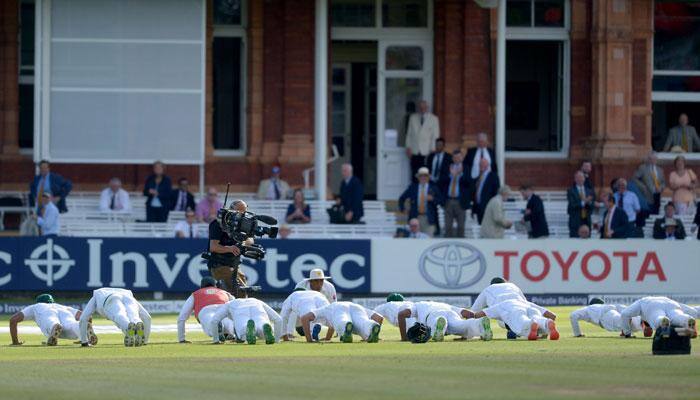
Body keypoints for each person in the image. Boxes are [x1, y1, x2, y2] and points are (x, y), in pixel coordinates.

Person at [9, 294, 97, 346]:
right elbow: (86, 316)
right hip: (65, 315)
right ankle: (82, 330)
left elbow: (13, 320)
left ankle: (54, 326)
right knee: (72, 325)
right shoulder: (61, 306)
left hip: (47, 315)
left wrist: (15, 342)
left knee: (51, 322)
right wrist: (83, 337)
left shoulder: (36, 306)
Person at [79, 287, 152, 347]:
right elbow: (147, 318)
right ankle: (137, 324)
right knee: (134, 316)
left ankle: (127, 327)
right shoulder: (126, 292)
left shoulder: (98, 293)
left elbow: (83, 318)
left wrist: (84, 342)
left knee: (119, 314)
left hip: (110, 298)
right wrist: (145, 341)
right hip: (129, 297)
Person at [207, 200, 251, 296]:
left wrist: (243, 243)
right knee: (237, 292)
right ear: (231, 210)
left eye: (244, 212)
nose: (242, 215)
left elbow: (250, 240)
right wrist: (230, 248)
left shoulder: (242, 224)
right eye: (239, 211)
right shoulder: (218, 224)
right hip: (219, 264)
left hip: (234, 264)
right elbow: (213, 247)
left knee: (243, 291)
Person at [397, 301, 493, 342]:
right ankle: (479, 324)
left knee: (435, 321)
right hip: (450, 312)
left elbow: (401, 314)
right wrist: (464, 336)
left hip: (432, 314)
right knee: (462, 325)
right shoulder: (445, 304)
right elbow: (469, 314)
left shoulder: (417, 305)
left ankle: (438, 327)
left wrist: (404, 338)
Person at [177, 277, 235, 344]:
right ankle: (232, 333)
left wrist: (182, 339)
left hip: (205, 310)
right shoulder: (224, 292)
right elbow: (235, 307)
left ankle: (218, 330)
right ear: (215, 285)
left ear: (201, 286)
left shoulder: (195, 294)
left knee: (211, 326)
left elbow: (181, 318)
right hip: (222, 308)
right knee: (228, 323)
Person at [300, 301, 381, 343]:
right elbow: (379, 317)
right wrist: (328, 338)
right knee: (364, 323)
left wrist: (309, 340)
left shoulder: (324, 309)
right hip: (357, 307)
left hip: (338, 308)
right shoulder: (353, 305)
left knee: (342, 320)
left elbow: (304, 318)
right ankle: (372, 327)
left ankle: (345, 328)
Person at [210, 298, 282, 345]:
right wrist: (277, 340)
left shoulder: (229, 303)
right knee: (262, 326)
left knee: (243, 331)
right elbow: (278, 319)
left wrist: (216, 340)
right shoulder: (256, 300)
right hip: (257, 308)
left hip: (239, 310)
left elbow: (214, 321)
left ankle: (247, 331)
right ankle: (263, 328)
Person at [620, 296, 696, 339]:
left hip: (651, 305)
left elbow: (624, 314)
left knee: (658, 317)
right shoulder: (643, 304)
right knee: (677, 316)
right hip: (670, 302)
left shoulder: (641, 302)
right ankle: (687, 319)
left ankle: (662, 320)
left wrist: (627, 334)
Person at [398, 167, 444, 237]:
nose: (423, 178)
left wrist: (433, 199)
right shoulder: (413, 187)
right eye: (421, 176)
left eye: (425, 176)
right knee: (415, 240)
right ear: (418, 177)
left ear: (428, 177)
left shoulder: (434, 188)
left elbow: (441, 201)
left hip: (429, 219)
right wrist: (403, 209)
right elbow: (402, 198)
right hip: (415, 217)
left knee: (428, 239)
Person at [570, 298, 648, 338]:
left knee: (623, 323)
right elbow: (624, 309)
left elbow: (573, 315)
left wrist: (578, 334)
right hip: (611, 312)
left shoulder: (589, 308)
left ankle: (639, 325)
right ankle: (645, 322)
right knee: (631, 323)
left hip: (604, 317)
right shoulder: (604, 306)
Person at [405, 100, 440, 180]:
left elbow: (435, 136)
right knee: (414, 173)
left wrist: (433, 149)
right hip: (415, 151)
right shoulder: (412, 117)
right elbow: (409, 134)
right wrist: (408, 147)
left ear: (427, 108)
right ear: (418, 108)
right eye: (420, 108)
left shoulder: (434, 119)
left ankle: (424, 191)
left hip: (427, 152)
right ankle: (415, 190)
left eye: (424, 108)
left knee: (425, 174)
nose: (422, 109)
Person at [441, 149, 469, 238]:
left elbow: (469, 183)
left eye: (459, 157)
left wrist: (460, 174)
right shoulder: (447, 167)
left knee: (461, 226)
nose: (457, 159)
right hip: (448, 201)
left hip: (460, 201)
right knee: (448, 226)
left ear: (462, 158)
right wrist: (450, 175)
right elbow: (440, 182)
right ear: (452, 158)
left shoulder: (466, 167)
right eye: (455, 157)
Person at [470, 158, 500, 224]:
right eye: (480, 164)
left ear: (488, 165)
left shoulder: (493, 176)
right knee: (480, 228)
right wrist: (473, 209)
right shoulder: (477, 178)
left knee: (488, 227)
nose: (481, 166)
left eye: (483, 164)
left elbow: (496, 193)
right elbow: (474, 194)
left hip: (488, 208)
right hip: (478, 208)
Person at [567, 171, 595, 237]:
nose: (580, 179)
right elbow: (572, 204)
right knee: (575, 241)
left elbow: (592, 204)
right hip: (575, 220)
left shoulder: (589, 190)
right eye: (578, 177)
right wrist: (584, 202)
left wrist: (590, 202)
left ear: (584, 179)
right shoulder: (571, 191)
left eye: (581, 177)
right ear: (575, 179)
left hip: (586, 219)